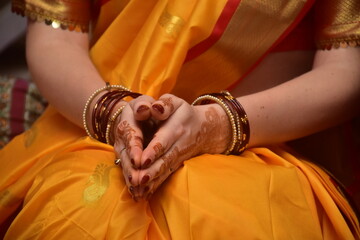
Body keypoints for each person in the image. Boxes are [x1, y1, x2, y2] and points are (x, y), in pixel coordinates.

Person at [0, 0, 359, 238]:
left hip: (263, 146)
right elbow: (56, 37)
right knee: (76, 217)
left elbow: (347, 68)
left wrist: (218, 125)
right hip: (95, 135)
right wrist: (112, 114)